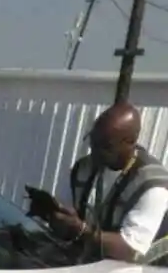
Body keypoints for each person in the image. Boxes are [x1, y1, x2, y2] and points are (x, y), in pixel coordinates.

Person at [29, 102, 168, 262]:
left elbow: (129, 250)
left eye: (105, 146)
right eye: (93, 142)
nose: (94, 151)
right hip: (87, 267)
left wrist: (80, 230)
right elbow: (71, 212)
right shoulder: (84, 167)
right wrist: (54, 215)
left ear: (130, 142)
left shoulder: (154, 185)